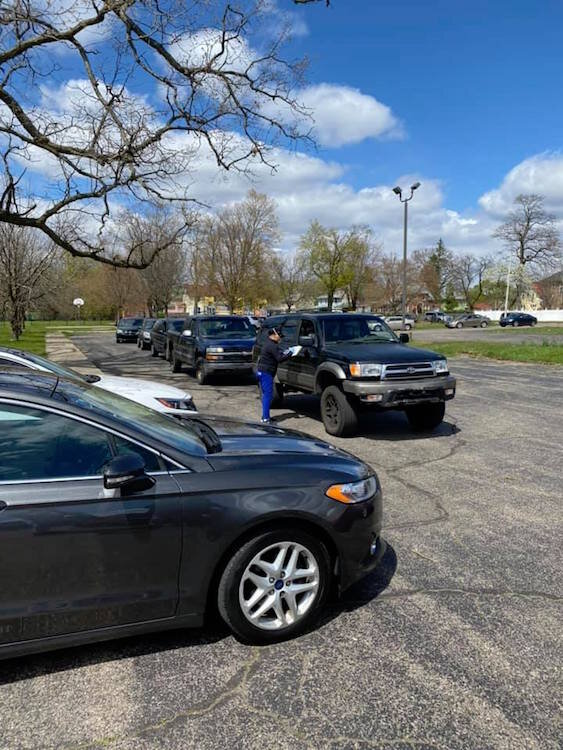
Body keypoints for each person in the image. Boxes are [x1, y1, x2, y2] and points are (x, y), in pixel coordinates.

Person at [256, 327, 300, 423]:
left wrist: (286, 352)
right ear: (273, 335)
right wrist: (291, 353)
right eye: (279, 336)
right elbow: (279, 358)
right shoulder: (272, 346)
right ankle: (265, 418)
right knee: (268, 395)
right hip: (266, 372)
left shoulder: (269, 344)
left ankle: (265, 416)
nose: (280, 338)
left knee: (266, 395)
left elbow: (277, 354)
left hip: (262, 371)